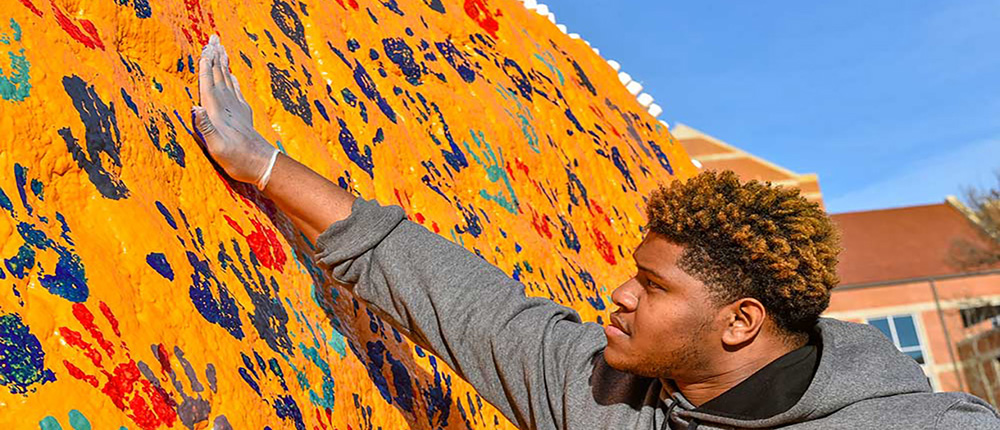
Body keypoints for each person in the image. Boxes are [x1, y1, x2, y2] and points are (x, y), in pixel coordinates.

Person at [192, 35, 1000, 429]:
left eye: (653, 287)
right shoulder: (607, 396)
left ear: (741, 321)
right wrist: (262, 165)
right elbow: (455, 292)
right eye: (634, 273)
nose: (618, 295)